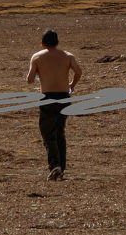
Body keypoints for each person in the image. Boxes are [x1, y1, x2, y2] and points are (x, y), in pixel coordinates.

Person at [26, 29, 82, 179]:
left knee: (48, 133)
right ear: (57, 42)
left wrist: (39, 73)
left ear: (42, 43)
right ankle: (61, 168)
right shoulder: (68, 56)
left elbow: (29, 80)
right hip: (64, 97)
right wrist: (72, 84)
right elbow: (78, 71)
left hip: (48, 97)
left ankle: (55, 165)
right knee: (59, 132)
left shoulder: (37, 57)